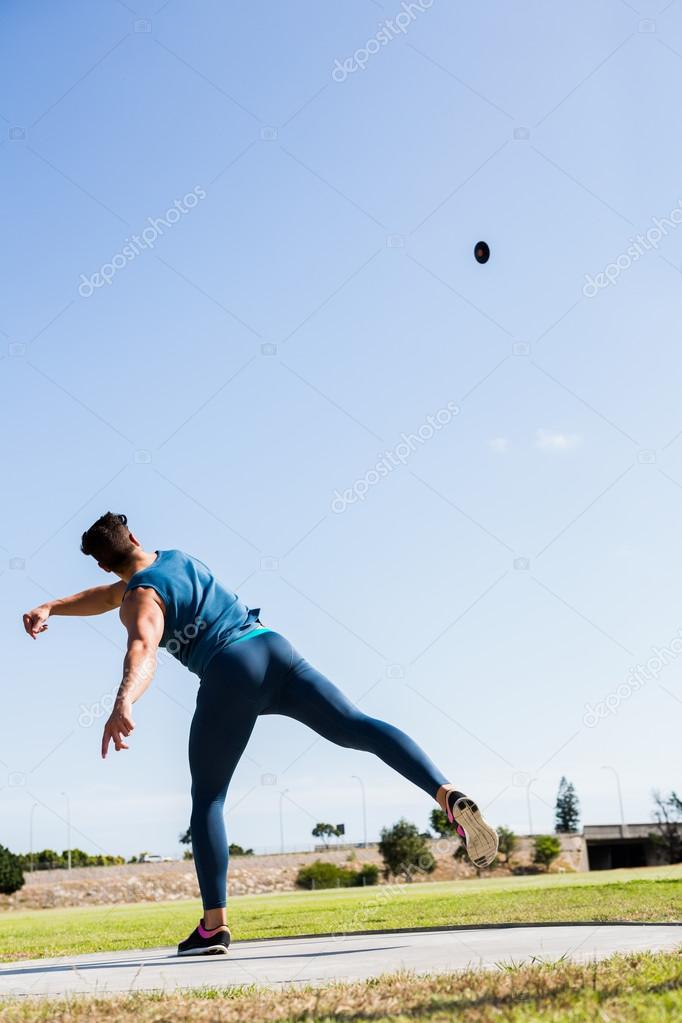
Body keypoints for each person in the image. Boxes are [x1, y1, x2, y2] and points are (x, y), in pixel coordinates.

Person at [23, 512, 498, 955]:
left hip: (231, 670)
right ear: (136, 540)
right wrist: (52, 606)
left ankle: (214, 925)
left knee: (207, 798)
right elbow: (109, 596)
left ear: (105, 562)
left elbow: (142, 645)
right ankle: (446, 793)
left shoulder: (139, 597)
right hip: (272, 647)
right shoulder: (176, 559)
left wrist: (123, 699)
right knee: (355, 726)